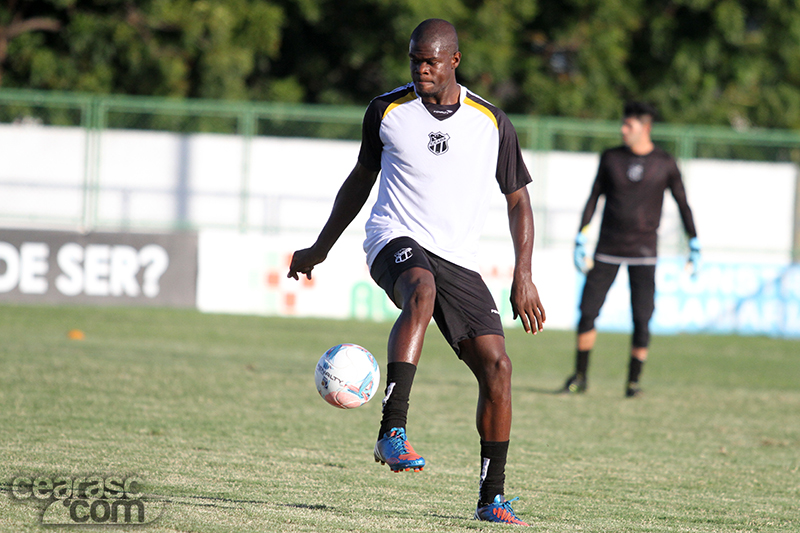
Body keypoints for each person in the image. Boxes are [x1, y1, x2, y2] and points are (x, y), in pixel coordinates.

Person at [287, 18, 545, 526]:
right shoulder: (386, 111)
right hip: (394, 239)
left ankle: (491, 499)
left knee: (498, 368)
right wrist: (319, 248)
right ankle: (392, 431)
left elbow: (519, 200)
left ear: (454, 60)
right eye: (414, 60)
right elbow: (359, 183)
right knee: (420, 289)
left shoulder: (490, 121)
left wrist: (524, 275)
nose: (421, 69)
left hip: (457, 259)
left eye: (430, 61)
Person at [564, 101, 700, 398]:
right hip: (607, 249)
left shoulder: (664, 163)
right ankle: (580, 376)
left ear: (646, 128)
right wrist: (581, 235)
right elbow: (593, 198)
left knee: (642, 317)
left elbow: (683, 203)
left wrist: (694, 241)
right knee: (587, 312)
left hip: (644, 252)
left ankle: (633, 383)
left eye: (630, 126)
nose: (623, 130)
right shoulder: (611, 158)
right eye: (623, 125)